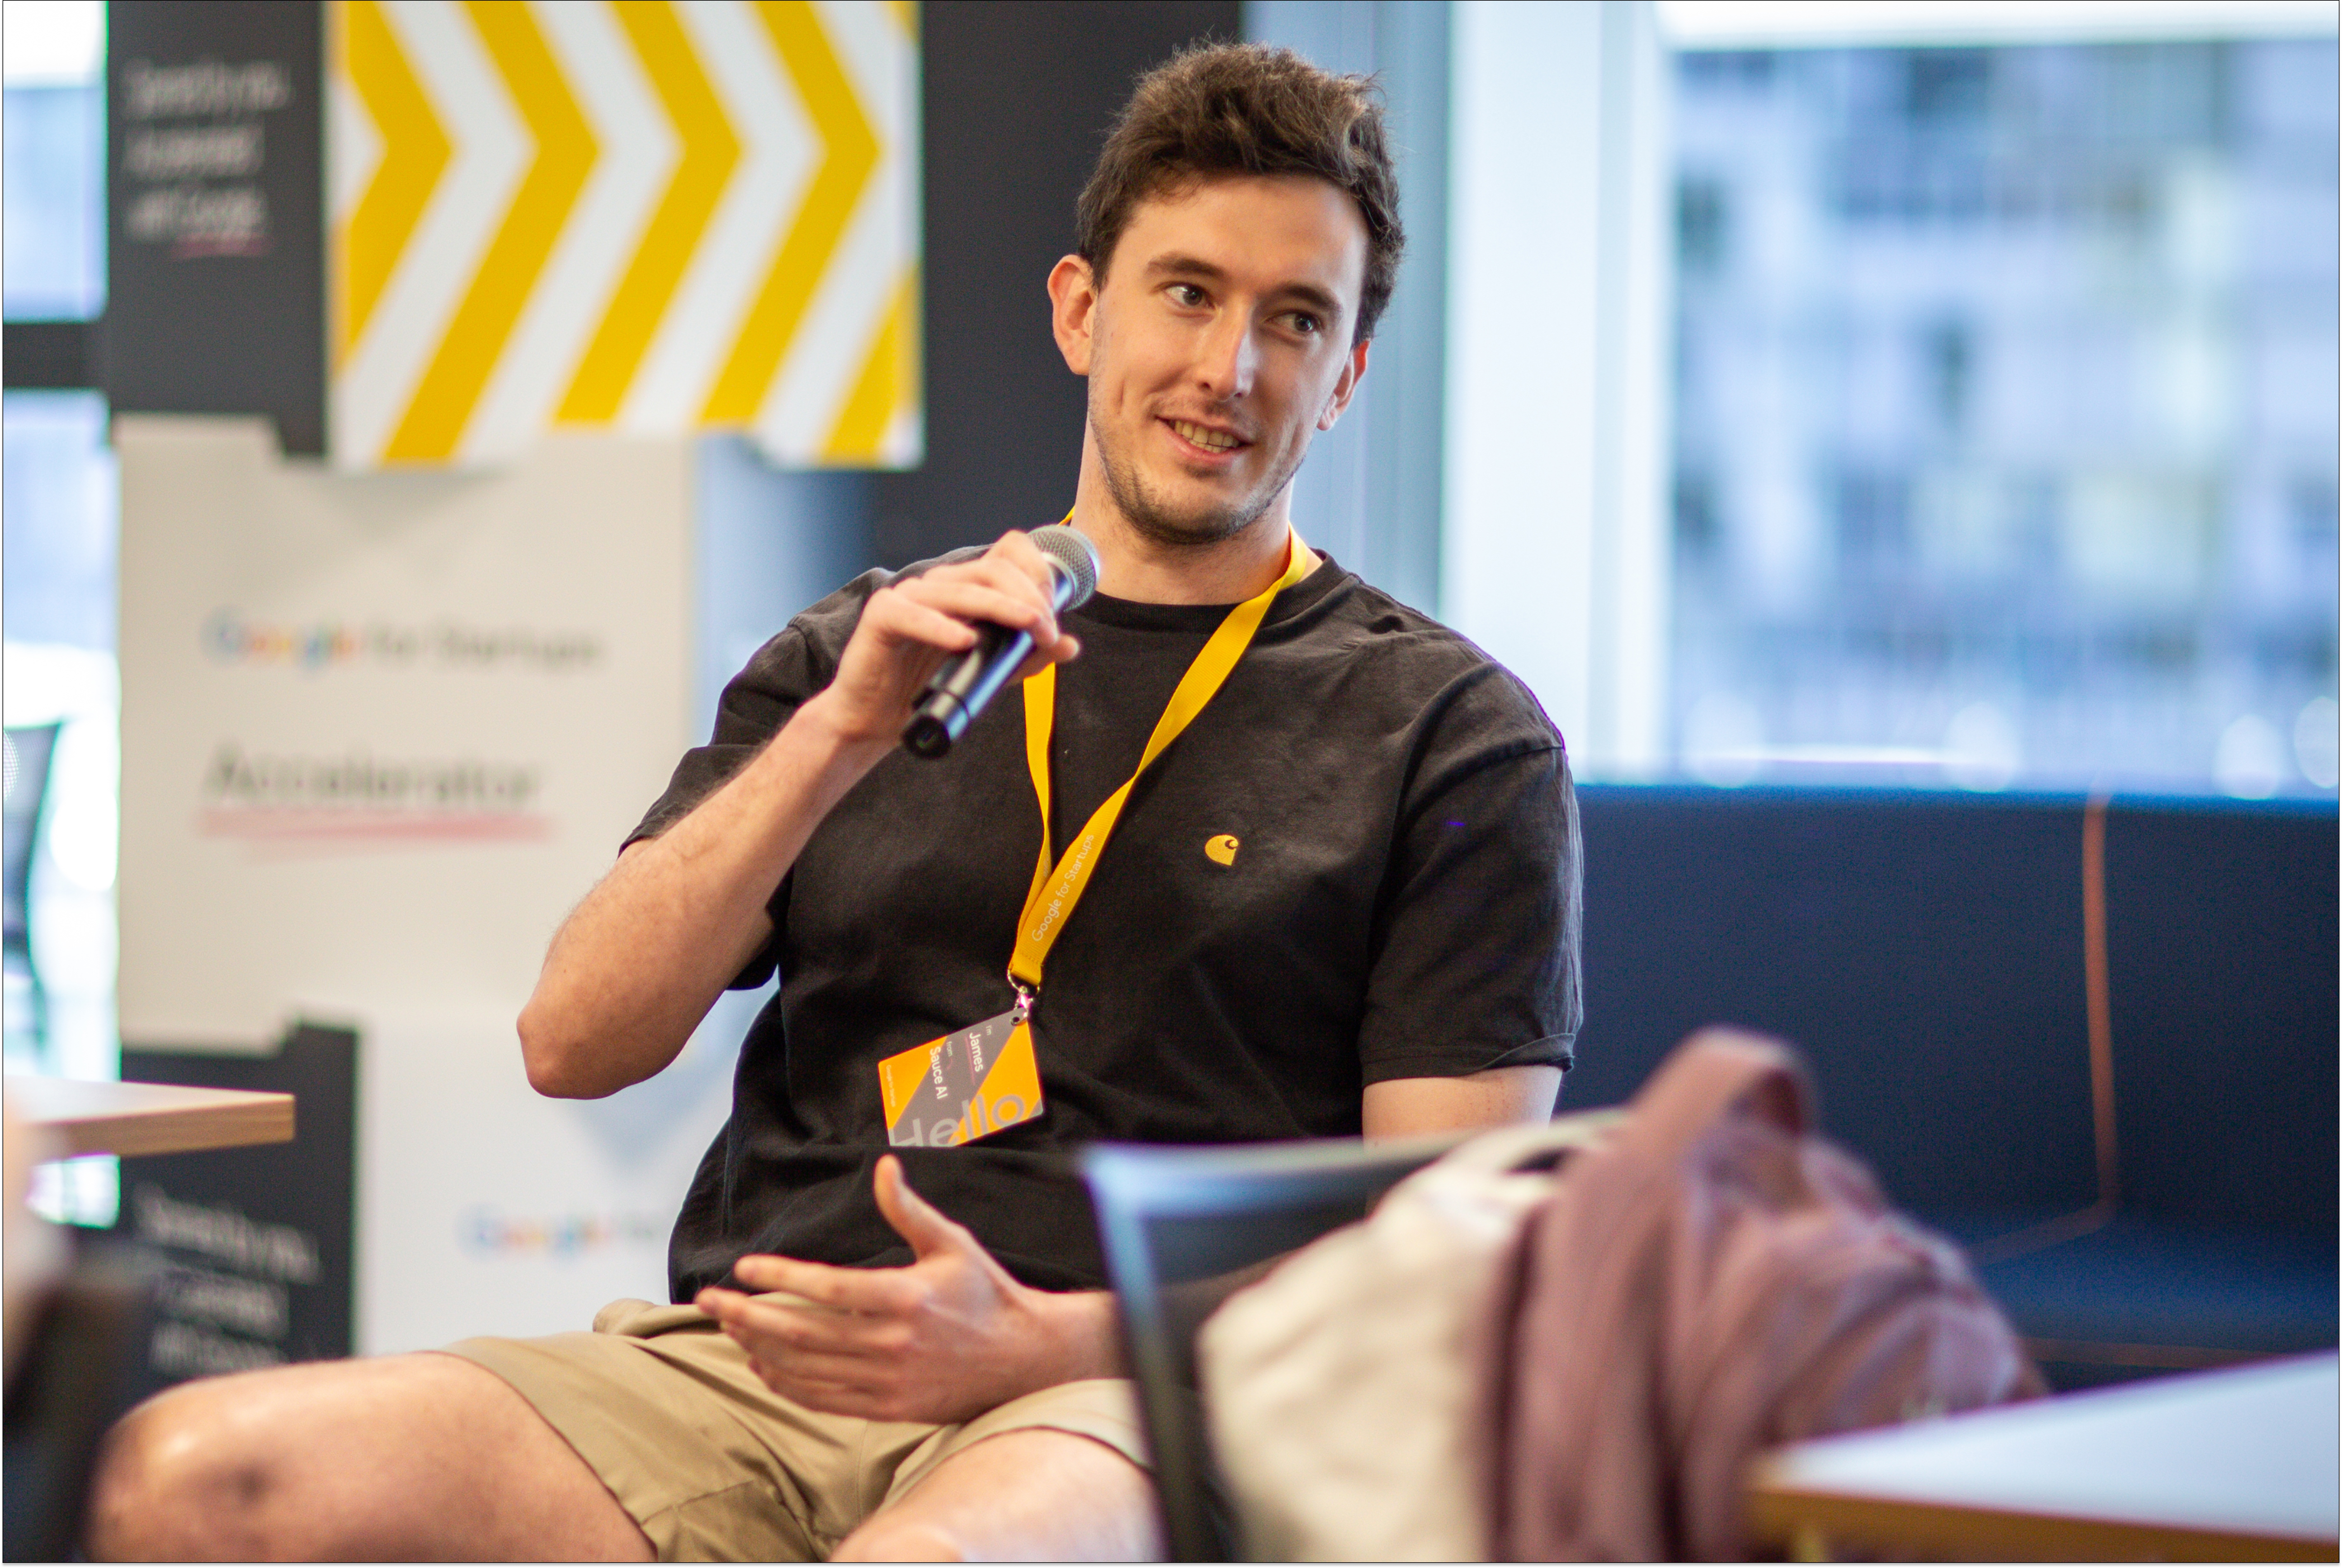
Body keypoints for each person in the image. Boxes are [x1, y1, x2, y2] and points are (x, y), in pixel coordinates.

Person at [88, 42, 1581, 1562]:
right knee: (189, 1475)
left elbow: (1438, 1267)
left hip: (1128, 1398)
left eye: (1295, 321)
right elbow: (575, 1040)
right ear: (1082, 310)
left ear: (1348, 376)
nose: (1230, 369)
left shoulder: (1450, 739)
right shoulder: (865, 656)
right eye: (1188, 293)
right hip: (753, 1372)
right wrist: (839, 734)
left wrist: (1045, 1345)